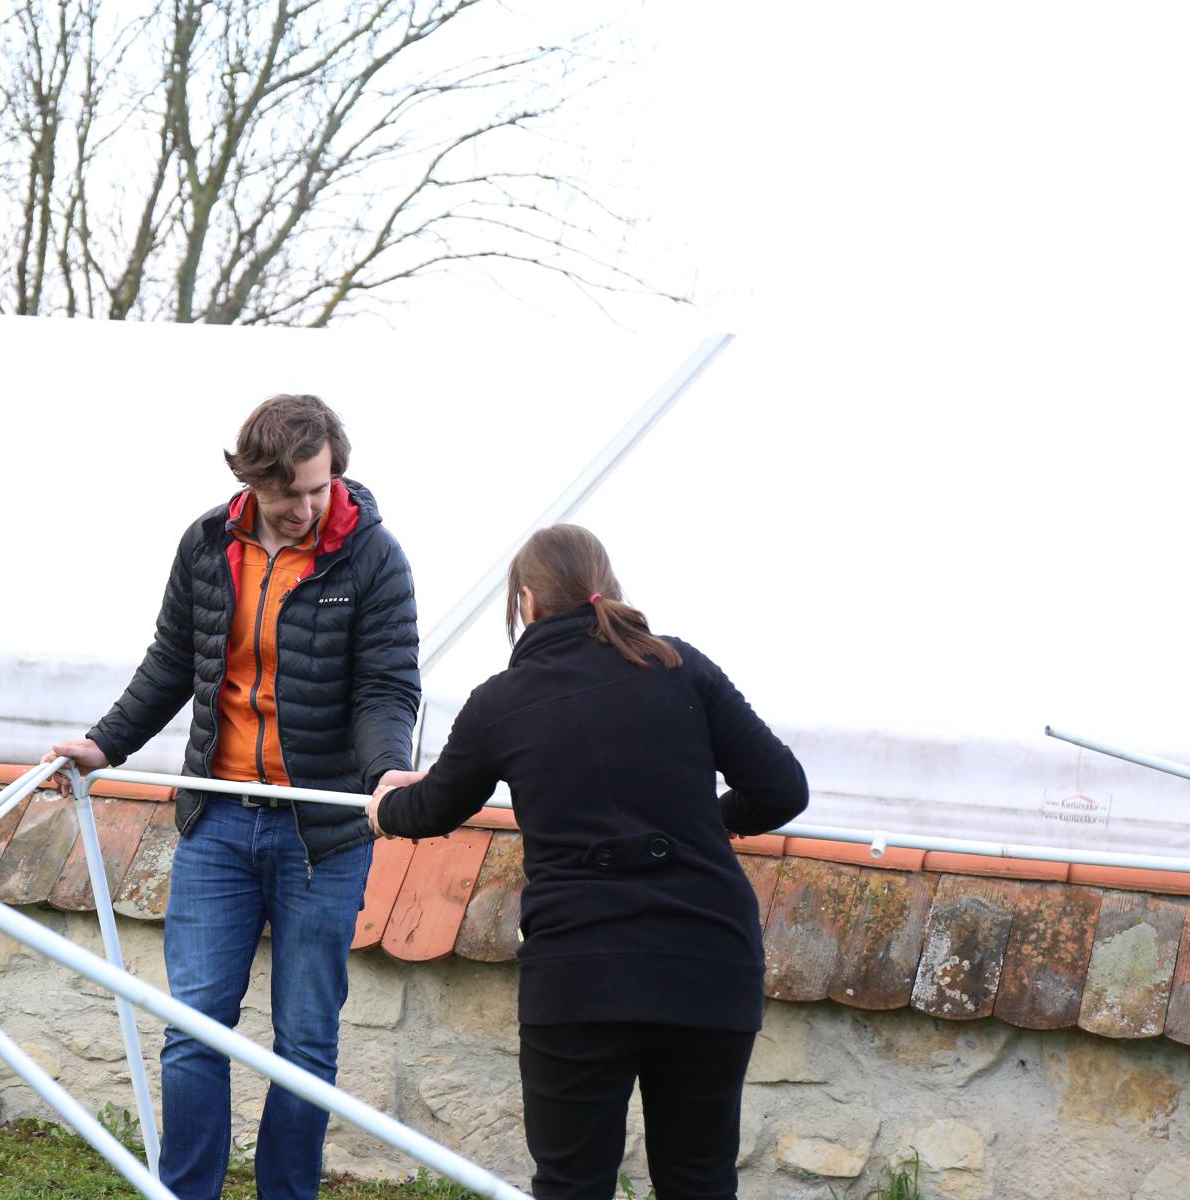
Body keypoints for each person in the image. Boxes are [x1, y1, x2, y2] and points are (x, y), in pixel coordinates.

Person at [48, 393, 419, 1200]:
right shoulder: (207, 543)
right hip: (216, 822)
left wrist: (388, 771)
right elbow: (172, 663)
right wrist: (104, 743)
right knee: (193, 1031)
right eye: (289, 493)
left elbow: (387, 689)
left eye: (319, 488)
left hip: (323, 836)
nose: (306, 508)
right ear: (251, 480)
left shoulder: (374, 556)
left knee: (306, 1041)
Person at [367, 524, 807, 1200]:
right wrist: (700, 825)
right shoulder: (680, 667)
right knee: (700, 1181)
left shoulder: (501, 703)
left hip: (580, 975)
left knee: (572, 1185)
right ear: (606, 587)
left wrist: (384, 806)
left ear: (527, 602)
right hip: (708, 962)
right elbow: (782, 790)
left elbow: (431, 809)